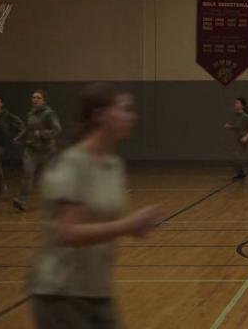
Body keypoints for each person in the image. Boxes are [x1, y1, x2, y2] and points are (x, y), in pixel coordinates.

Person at [27, 82, 164, 328]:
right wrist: (127, 225)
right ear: (100, 116)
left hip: (97, 291)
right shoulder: (73, 163)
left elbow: (104, 221)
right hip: (60, 294)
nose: (132, 116)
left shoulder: (114, 165)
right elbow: (65, 233)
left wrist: (134, 227)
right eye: (124, 109)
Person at [14, 90, 63, 212]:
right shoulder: (30, 114)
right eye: (33, 97)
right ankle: (22, 201)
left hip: (46, 151)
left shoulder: (49, 113)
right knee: (27, 174)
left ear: (43, 100)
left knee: (48, 178)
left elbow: (57, 130)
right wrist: (19, 138)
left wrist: (41, 133)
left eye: (38, 97)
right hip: (31, 150)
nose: (35, 99)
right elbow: (28, 129)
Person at [224, 97, 248, 180]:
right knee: (234, 156)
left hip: (243, 140)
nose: (236, 104)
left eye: (238, 103)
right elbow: (238, 126)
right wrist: (230, 126)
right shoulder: (236, 115)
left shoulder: (245, 116)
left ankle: (242, 172)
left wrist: (246, 136)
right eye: (235, 103)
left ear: (242, 105)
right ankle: (240, 173)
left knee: (236, 155)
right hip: (237, 139)